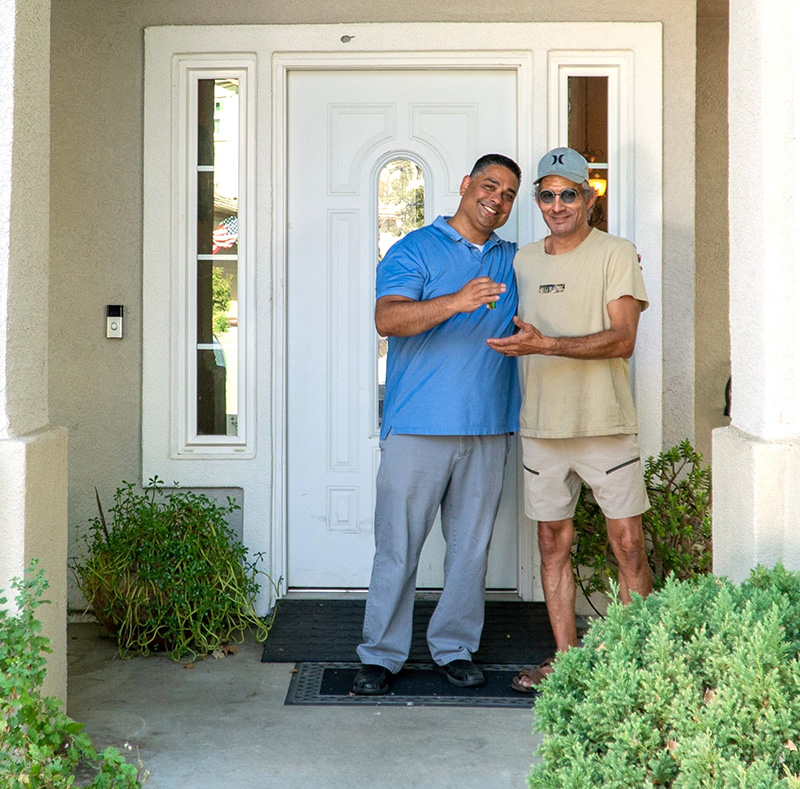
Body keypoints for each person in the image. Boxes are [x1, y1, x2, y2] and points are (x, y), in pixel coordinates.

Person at [352, 154, 522, 695]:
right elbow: (388, 318)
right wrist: (456, 300)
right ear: (466, 185)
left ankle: (454, 647)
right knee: (398, 545)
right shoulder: (414, 249)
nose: (497, 197)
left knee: (470, 549)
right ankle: (380, 655)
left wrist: (611, 257)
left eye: (510, 193)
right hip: (418, 426)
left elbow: (568, 268)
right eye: (490, 185)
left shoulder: (516, 259)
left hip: (489, 425)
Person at [487, 147, 652, 692]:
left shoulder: (616, 253)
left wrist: (547, 344)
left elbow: (623, 339)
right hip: (542, 427)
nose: (558, 205)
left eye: (569, 193)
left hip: (605, 423)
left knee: (627, 544)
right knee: (553, 545)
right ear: (537, 201)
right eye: (547, 195)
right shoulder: (523, 260)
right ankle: (567, 662)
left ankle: (635, 665)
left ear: (588, 198)